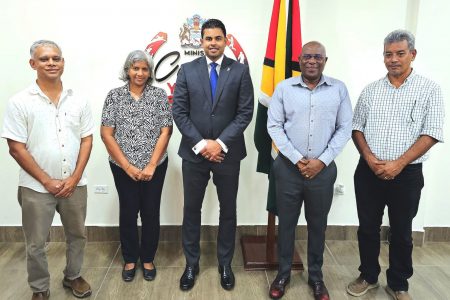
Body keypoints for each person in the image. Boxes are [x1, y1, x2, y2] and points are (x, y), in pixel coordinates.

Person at [347, 30, 444, 300]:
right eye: (388, 54)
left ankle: (398, 283)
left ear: (412, 55)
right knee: (367, 227)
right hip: (369, 171)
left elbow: (433, 132)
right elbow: (356, 128)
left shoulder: (429, 90)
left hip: (407, 173)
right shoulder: (371, 90)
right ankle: (368, 275)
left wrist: (399, 164)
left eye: (400, 53)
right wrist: (368, 157)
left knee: (401, 231)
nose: (393, 59)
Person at [1, 40, 94, 300]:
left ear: (63, 62)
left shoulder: (79, 99)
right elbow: (16, 147)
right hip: (35, 188)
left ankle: (73, 276)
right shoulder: (19, 102)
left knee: (77, 235)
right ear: (33, 64)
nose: (51, 63)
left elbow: (87, 139)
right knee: (36, 243)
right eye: (44, 59)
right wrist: (46, 180)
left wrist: (74, 178)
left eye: (56, 58)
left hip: (75, 185)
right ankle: (40, 288)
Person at [172, 18, 254, 291]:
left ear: (226, 40)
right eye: (208, 39)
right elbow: (180, 113)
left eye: (218, 38)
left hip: (227, 155)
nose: (213, 43)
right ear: (201, 42)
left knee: (228, 210)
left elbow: (245, 113)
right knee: (191, 210)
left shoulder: (240, 71)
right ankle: (191, 264)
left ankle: (225, 263)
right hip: (194, 155)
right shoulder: (186, 70)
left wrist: (219, 143)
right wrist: (202, 145)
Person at [267, 41, 352, 300]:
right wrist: (296, 159)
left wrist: (321, 161)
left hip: (322, 171)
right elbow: (274, 126)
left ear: (326, 60)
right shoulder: (283, 88)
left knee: (318, 226)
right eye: (307, 57)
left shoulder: (338, 89)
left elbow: (344, 128)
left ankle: (316, 277)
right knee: (287, 225)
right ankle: (283, 275)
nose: (312, 61)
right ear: (299, 60)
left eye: (317, 57)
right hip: (287, 170)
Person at [100, 50, 172, 282]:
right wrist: (128, 166)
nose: (140, 73)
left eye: (144, 69)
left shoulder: (159, 95)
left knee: (151, 212)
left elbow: (166, 130)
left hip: (156, 166)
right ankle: (130, 258)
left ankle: (148, 258)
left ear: (150, 72)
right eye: (135, 68)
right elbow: (106, 134)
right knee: (129, 211)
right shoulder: (114, 96)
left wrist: (151, 164)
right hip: (122, 167)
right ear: (127, 70)